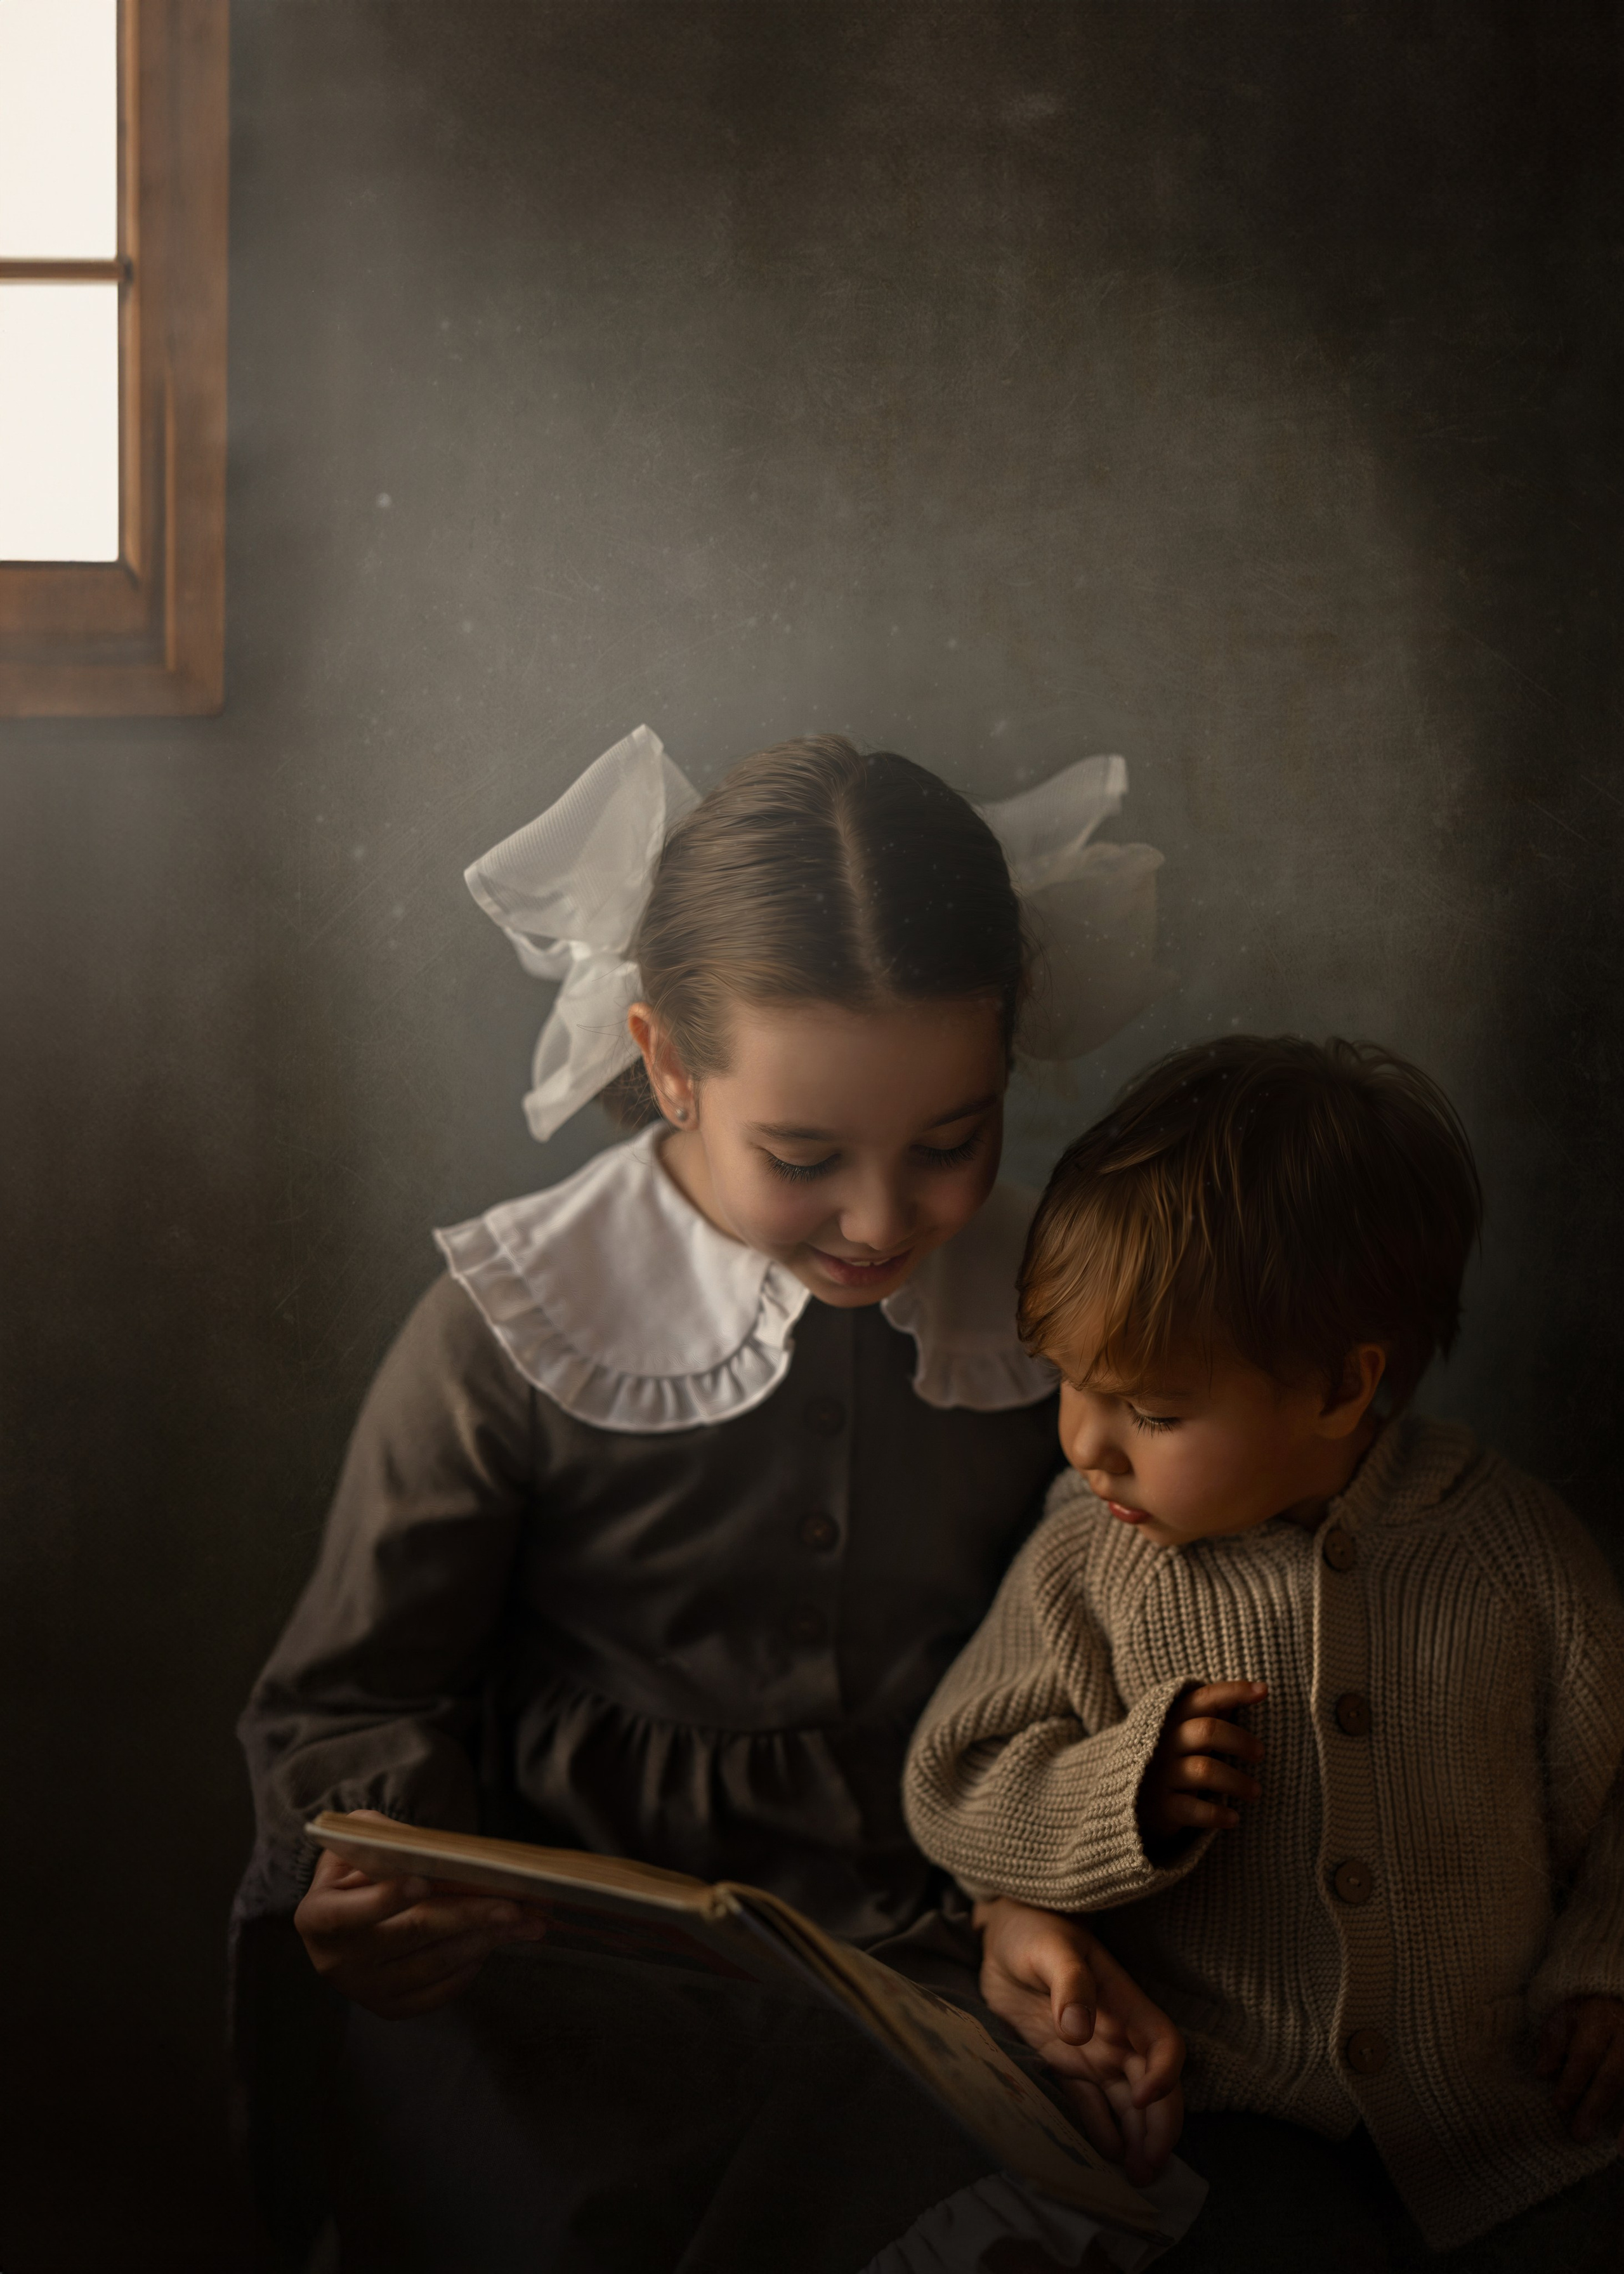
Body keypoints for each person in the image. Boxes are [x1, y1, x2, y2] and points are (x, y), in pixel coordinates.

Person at [233, 729, 1191, 2274]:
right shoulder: (522, 1318)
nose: (884, 1218)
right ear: (666, 1060)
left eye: (951, 1143)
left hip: (926, 1942)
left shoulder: (1051, 1308)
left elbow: (1109, 1645)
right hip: (566, 1966)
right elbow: (346, 1697)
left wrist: (1037, 1902)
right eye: (803, 1155)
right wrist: (383, 1883)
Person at [903, 1034, 1624, 2271]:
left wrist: (1602, 1970)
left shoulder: (1511, 1557)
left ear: (1343, 1390)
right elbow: (951, 1786)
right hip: (1215, 2112)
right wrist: (1116, 1789)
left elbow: (1611, 1791)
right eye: (1066, 1379)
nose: (1085, 1441)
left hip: (1505, 2116)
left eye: (1153, 1409)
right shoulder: (1086, 1568)